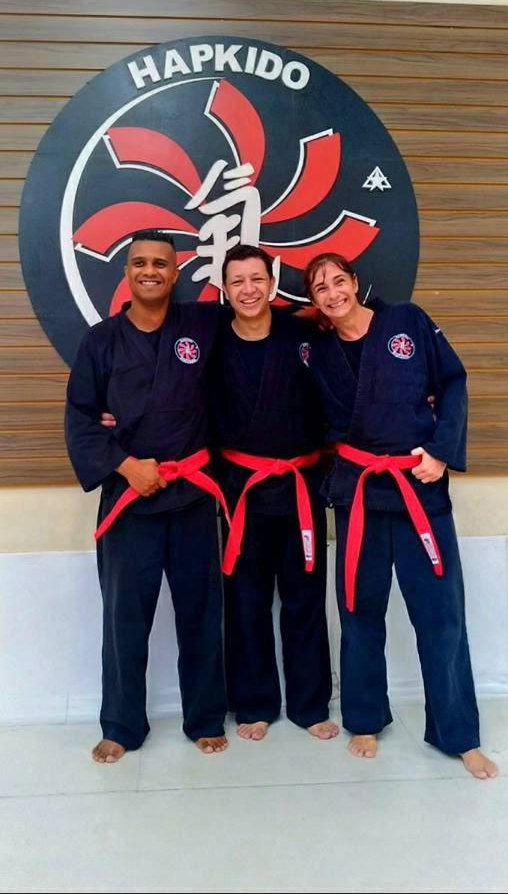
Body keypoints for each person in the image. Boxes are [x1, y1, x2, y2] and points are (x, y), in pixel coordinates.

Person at [303, 252, 498, 779]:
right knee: (358, 609)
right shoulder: (316, 354)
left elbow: (453, 381)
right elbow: (297, 415)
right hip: (360, 494)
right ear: (315, 301)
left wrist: (440, 450)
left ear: (355, 283)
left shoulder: (406, 321)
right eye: (320, 287)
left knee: (441, 615)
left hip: (418, 487)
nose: (332, 293)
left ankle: (458, 734)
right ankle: (365, 717)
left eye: (338, 281)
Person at [65, 229, 229, 762]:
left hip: (193, 499)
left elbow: (259, 331)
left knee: (201, 613)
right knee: (125, 617)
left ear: (176, 273)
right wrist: (125, 464)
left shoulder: (203, 326)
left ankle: (204, 717)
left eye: (161, 263)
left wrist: (322, 320)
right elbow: (82, 418)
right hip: (129, 500)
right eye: (140, 263)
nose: (150, 271)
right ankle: (120, 725)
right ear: (127, 272)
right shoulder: (101, 340)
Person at [211, 243, 339, 742]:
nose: (248, 289)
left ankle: (310, 704)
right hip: (242, 489)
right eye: (238, 281)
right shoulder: (211, 338)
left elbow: (349, 370)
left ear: (272, 281)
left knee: (305, 597)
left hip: (302, 486)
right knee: (247, 600)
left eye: (257, 279)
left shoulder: (304, 332)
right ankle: (255, 702)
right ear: (224, 289)